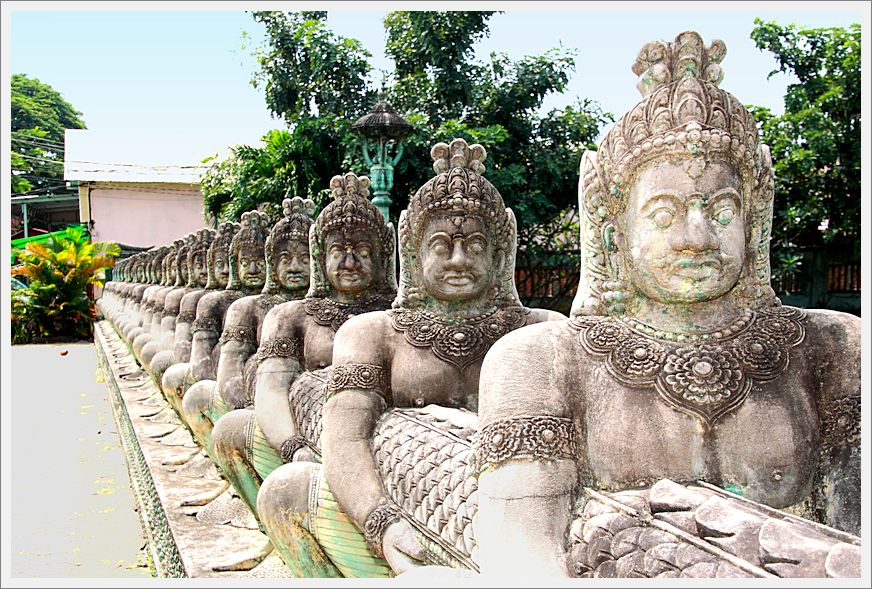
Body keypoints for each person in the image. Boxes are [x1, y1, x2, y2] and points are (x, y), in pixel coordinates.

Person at [473, 31, 861, 578]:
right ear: (611, 234)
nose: (697, 237)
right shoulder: (543, 360)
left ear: (755, 225)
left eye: (722, 212)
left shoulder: (834, 348)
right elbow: (521, 560)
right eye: (663, 214)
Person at [255, 138, 565, 577]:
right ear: (414, 255)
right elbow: (344, 439)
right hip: (405, 503)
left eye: (475, 246)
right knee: (285, 491)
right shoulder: (373, 334)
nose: (459, 260)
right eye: (441, 246)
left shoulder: (541, 331)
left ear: (500, 255)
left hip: (525, 522)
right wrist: (379, 519)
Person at [211, 173, 397, 522]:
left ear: (383, 257)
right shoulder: (290, 316)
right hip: (305, 438)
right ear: (321, 258)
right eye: (339, 252)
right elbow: (268, 388)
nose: (350, 263)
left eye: (363, 251)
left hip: (389, 443)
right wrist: (293, 445)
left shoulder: (394, 319)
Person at [162, 222, 237, 415]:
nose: (226, 271)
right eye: (219, 265)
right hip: (217, 375)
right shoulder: (202, 301)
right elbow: (191, 354)